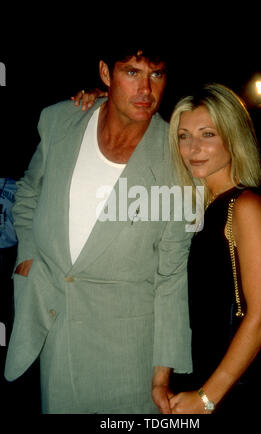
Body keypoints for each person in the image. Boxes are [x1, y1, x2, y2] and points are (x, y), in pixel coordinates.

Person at [4, 46, 193, 414]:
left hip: (129, 357)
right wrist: (27, 253)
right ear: (105, 74)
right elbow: (27, 193)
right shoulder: (60, 121)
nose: (146, 90)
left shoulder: (177, 160)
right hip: (55, 332)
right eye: (132, 72)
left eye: (156, 75)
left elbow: (171, 278)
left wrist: (161, 375)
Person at [166, 83, 261, 414]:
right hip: (198, 377)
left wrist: (206, 397)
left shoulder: (246, 206)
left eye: (208, 134)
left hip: (230, 389)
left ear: (233, 136)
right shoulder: (201, 209)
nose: (193, 148)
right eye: (184, 136)